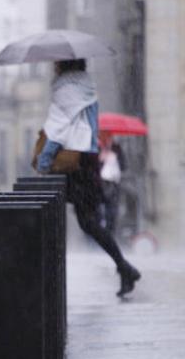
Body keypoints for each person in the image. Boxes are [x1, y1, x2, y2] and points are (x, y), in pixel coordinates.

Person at [36, 59, 140, 296]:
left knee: (65, 217)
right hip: (87, 161)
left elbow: (59, 128)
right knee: (86, 222)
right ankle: (124, 268)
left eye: (56, 63)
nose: (52, 66)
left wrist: (44, 160)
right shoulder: (86, 87)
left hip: (73, 164)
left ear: (63, 66)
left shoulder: (67, 90)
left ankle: (46, 278)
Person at [98, 131, 126, 235]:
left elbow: (123, 165)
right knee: (97, 208)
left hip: (113, 182)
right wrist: (101, 159)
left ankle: (109, 231)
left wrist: (114, 157)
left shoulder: (116, 148)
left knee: (112, 208)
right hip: (99, 182)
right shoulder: (96, 147)